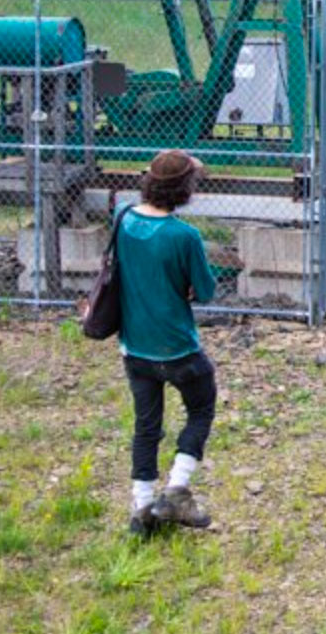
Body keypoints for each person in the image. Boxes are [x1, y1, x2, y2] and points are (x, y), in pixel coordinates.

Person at [117, 149, 219, 536]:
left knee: (146, 426)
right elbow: (206, 291)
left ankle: (142, 511)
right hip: (177, 347)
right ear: (185, 190)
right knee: (201, 408)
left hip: (135, 347)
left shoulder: (122, 218)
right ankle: (177, 489)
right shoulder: (185, 235)